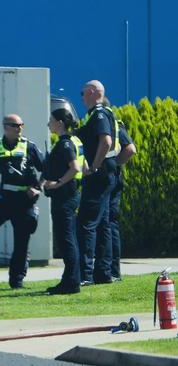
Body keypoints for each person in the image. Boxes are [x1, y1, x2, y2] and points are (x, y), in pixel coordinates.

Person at [0, 114, 44, 290]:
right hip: (0, 198)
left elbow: (46, 169)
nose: (19, 128)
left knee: (22, 240)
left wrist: (38, 188)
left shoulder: (29, 147)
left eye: (21, 125)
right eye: (15, 125)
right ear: (5, 127)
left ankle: (17, 278)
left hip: (23, 199)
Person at [74, 80, 118, 286]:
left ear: (92, 92)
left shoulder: (99, 114)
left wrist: (94, 166)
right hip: (106, 175)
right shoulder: (101, 113)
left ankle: (86, 274)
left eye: (83, 92)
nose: (82, 96)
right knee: (103, 225)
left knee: (87, 223)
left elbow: (106, 141)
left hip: (98, 176)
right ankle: (103, 272)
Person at [43, 109, 84, 295]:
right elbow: (86, 167)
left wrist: (58, 183)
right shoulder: (72, 141)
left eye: (51, 120)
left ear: (60, 122)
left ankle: (71, 283)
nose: (48, 123)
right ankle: (70, 280)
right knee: (69, 239)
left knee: (67, 240)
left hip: (65, 198)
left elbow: (75, 168)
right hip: (70, 196)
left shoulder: (65, 144)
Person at [100, 98, 137, 281]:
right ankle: (110, 269)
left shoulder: (113, 123)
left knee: (109, 223)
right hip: (110, 177)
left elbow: (130, 149)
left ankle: (113, 270)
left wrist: (113, 165)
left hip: (111, 178)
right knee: (108, 223)